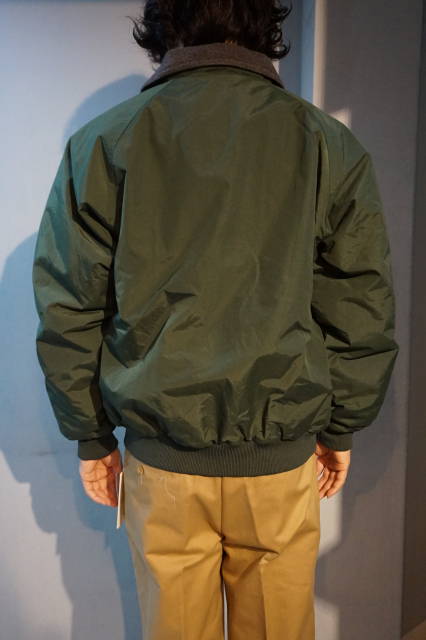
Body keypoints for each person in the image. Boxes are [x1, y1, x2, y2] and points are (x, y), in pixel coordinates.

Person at [31, 1, 399, 638]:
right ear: (266, 23)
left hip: (163, 467)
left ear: (162, 25)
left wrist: (92, 439)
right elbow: (359, 300)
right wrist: (341, 427)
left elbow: (70, 305)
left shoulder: (104, 142)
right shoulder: (325, 142)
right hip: (278, 466)